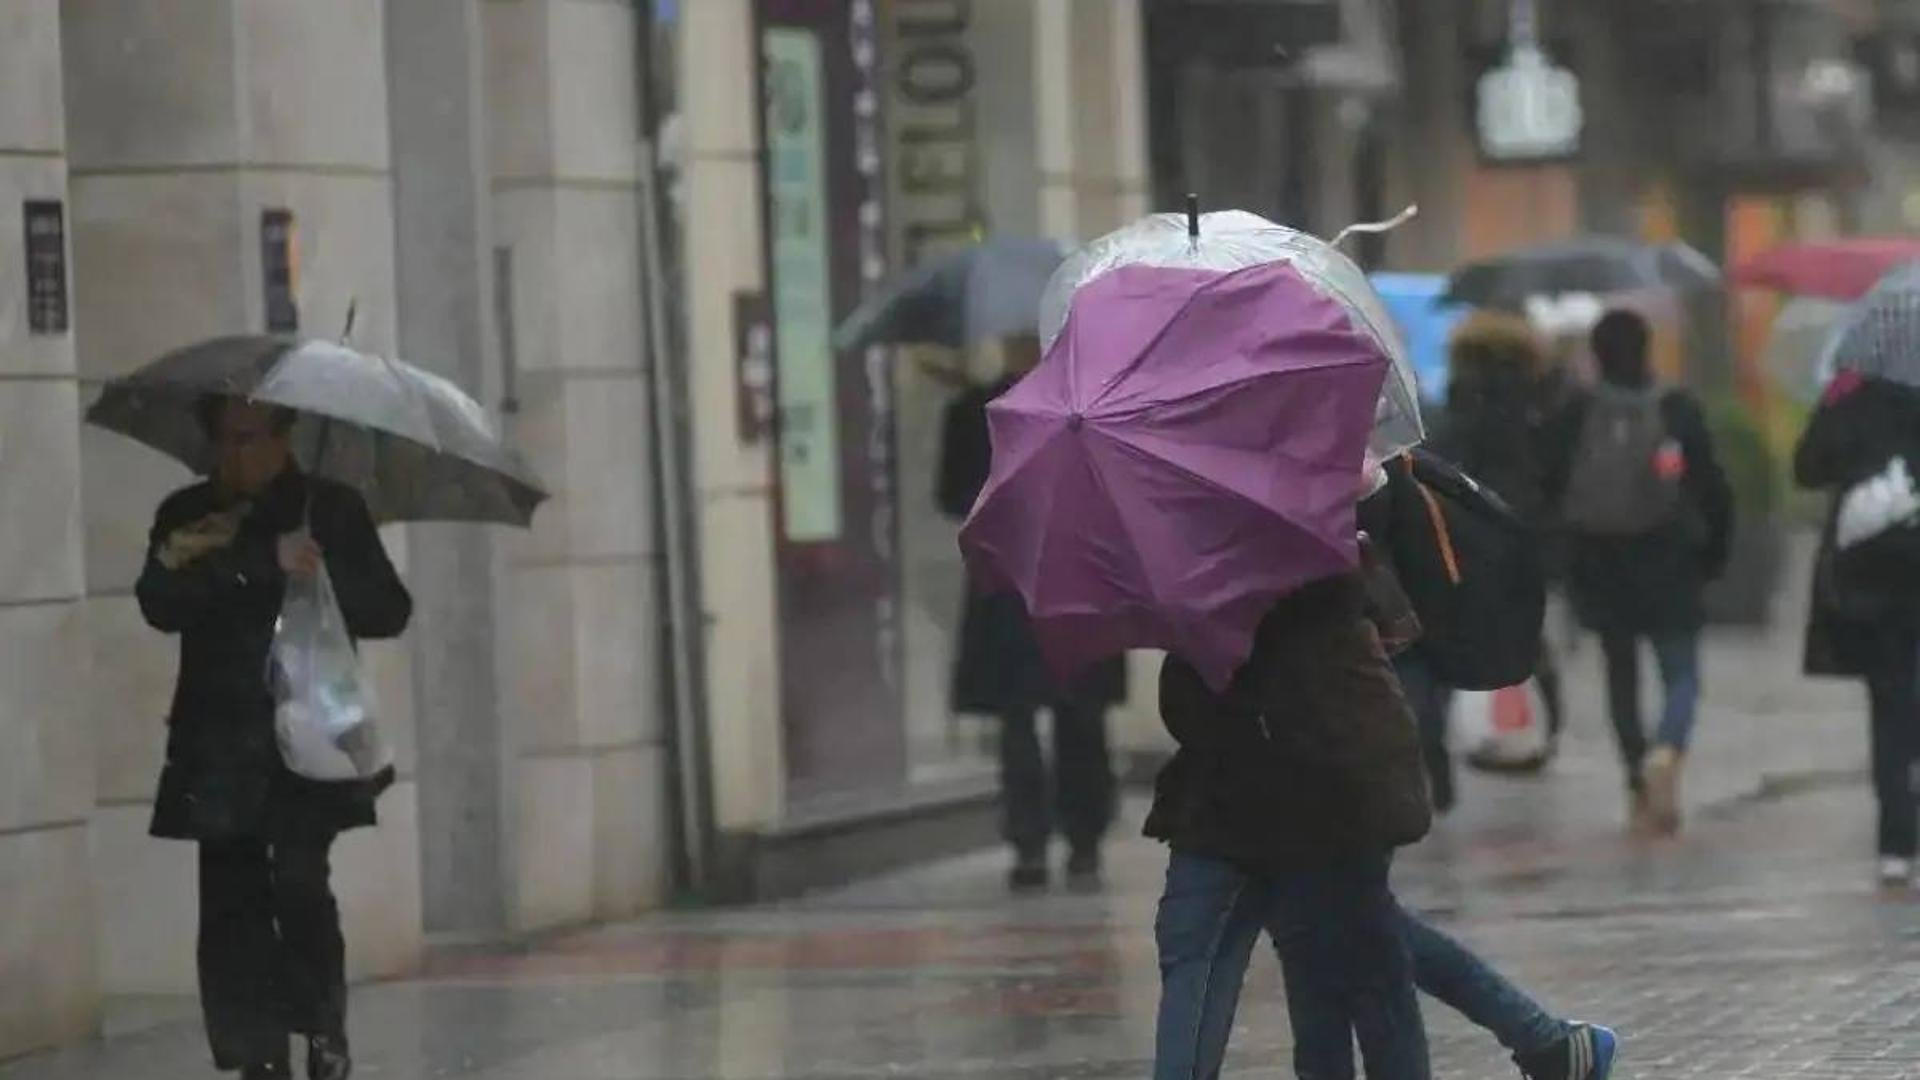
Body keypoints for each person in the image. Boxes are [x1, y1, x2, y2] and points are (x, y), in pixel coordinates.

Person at [138, 397, 412, 1079]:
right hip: (219, 741)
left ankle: (322, 1026)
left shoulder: (333, 510)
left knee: (297, 883)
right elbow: (159, 600)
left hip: (307, 741)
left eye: (249, 439)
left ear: (284, 439)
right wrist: (262, 559)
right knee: (231, 902)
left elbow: (390, 610)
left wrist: (325, 575)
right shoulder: (188, 516)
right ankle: (254, 1052)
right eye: (223, 441)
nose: (234, 455)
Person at [938, 336, 1125, 891]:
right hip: (1076, 575)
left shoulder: (975, 411)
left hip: (1009, 576)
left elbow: (951, 495)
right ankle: (1083, 838)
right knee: (1077, 712)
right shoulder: (1090, 407)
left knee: (1023, 715)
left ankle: (1031, 843)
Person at [1543, 310, 1732, 836]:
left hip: (1601, 562)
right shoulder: (1677, 409)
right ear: (1648, 347)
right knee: (1681, 672)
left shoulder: (1577, 412)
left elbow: (1551, 486)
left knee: (1620, 674)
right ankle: (1668, 748)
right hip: (1670, 559)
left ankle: (1635, 779)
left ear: (1598, 354)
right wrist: (1713, 554)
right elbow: (1714, 489)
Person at [1406, 314, 1565, 807]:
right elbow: (1553, 475)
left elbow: (1434, 464)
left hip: (1459, 539)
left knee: (1446, 641)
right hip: (1521, 540)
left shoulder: (1454, 404)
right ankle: (1546, 729)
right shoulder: (1538, 408)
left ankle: (1435, 753)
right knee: (1529, 638)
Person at [1794, 370, 1920, 885]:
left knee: (1889, 705)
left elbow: (1807, 469)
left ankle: (1896, 844)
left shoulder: (1854, 396)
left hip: (1871, 575)